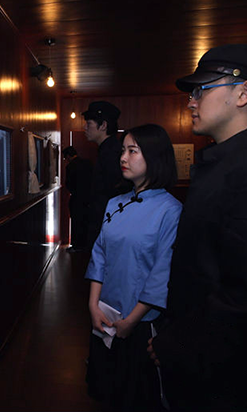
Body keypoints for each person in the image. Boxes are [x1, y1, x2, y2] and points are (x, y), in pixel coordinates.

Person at [147, 44, 247, 411]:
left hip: (229, 380)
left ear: (244, 93)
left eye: (202, 90)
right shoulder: (227, 165)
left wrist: (178, 344)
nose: (191, 102)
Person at [85, 124, 182, 411]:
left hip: (140, 323)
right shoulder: (114, 203)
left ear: (154, 156)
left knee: (137, 397)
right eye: (123, 151)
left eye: (132, 151)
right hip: (104, 316)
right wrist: (93, 305)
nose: (123, 158)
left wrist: (131, 321)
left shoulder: (170, 210)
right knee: (108, 391)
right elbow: (99, 255)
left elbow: (162, 273)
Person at [81, 101, 129, 248]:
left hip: (108, 222)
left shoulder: (112, 153)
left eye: (89, 123)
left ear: (103, 126)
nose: (85, 128)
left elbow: (114, 192)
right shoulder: (107, 150)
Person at [62, 146, 93, 252]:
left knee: (76, 222)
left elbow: (69, 184)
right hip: (89, 198)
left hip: (76, 198)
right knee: (86, 221)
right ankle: (86, 245)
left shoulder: (70, 166)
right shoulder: (88, 163)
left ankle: (76, 246)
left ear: (68, 156)